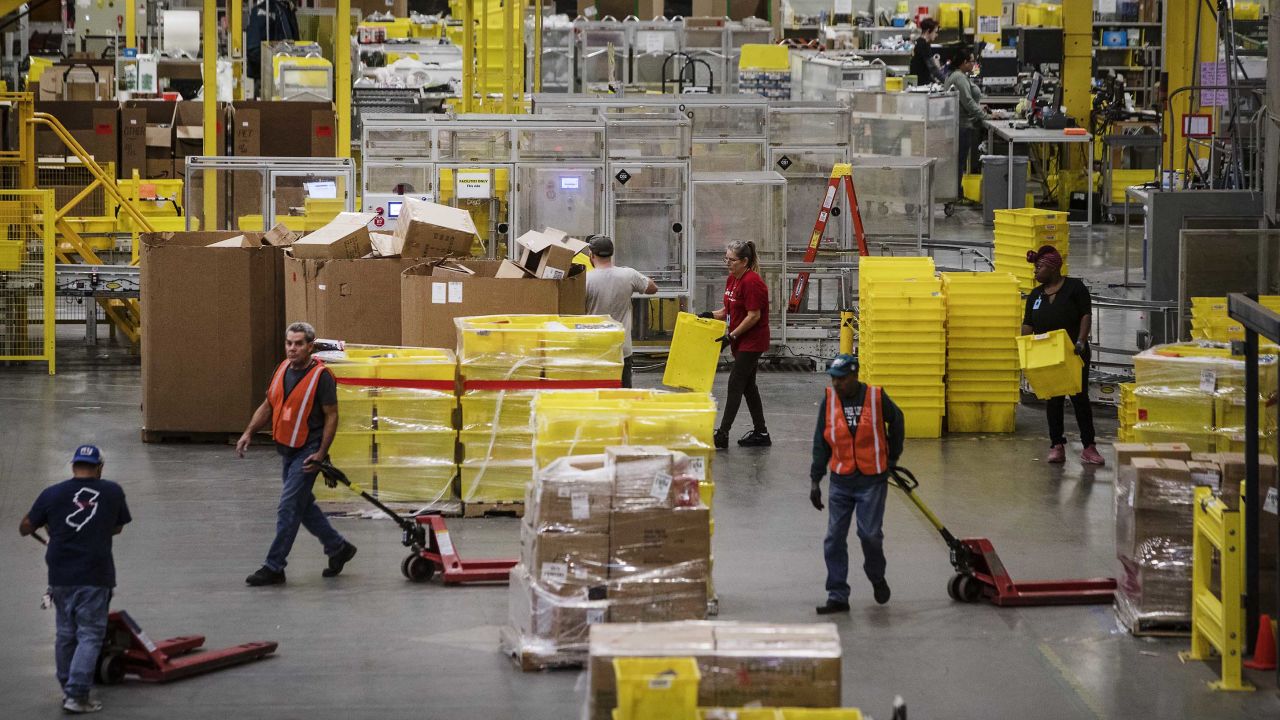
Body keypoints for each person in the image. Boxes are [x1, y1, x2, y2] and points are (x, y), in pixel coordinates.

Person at [237, 321, 357, 586]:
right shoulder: (282, 369)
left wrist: (322, 453)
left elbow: (332, 416)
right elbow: (268, 404)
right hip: (287, 449)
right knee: (303, 506)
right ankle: (338, 547)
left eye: (299, 344)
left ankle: (274, 566)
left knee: (288, 507)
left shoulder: (321, 377)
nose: (292, 348)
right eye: (289, 343)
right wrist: (249, 432)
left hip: (308, 450)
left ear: (310, 347)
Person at [20, 445, 132, 714]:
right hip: (95, 574)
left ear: (73, 466)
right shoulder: (112, 491)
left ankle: (67, 687)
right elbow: (117, 527)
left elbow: (25, 527)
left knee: (66, 634)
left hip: (60, 575)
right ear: (99, 467)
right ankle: (77, 694)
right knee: (90, 634)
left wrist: (52, 529)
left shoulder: (52, 494)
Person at [810, 354, 904, 614]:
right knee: (834, 538)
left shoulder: (875, 397)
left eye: (841, 379)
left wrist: (892, 458)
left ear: (854, 376)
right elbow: (821, 440)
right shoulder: (829, 400)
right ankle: (837, 595)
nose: (836, 384)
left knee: (869, 535)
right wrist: (815, 479)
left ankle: (876, 575)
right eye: (833, 379)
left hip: (871, 480)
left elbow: (897, 420)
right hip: (841, 480)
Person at [1021, 246, 1105, 466]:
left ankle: (1089, 446)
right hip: (1047, 353)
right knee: (1054, 399)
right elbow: (1028, 324)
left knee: (1079, 398)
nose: (1035, 271)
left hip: (1073, 352)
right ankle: (1056, 445)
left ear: (1053, 267)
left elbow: (1085, 315)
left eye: (1039, 267)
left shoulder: (1075, 288)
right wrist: (1024, 348)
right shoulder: (1035, 295)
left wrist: (1081, 341)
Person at [701, 240, 771, 449]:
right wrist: (709, 315)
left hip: (752, 341)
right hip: (740, 340)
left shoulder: (752, 282)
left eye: (732, 260)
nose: (728, 263)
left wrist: (730, 336)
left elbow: (754, 316)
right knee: (749, 387)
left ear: (744, 261)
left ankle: (723, 433)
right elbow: (728, 310)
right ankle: (761, 432)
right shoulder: (733, 279)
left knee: (735, 384)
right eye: (726, 259)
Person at [583, 234, 658, 388]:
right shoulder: (628, 274)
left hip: (596, 348)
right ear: (611, 253)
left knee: (597, 394)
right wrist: (644, 279)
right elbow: (652, 288)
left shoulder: (586, 279)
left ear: (591, 255)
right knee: (622, 395)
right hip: (622, 349)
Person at [944, 49, 989, 189]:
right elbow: (968, 102)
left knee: (958, 162)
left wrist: (980, 109)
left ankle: (956, 192)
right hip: (962, 126)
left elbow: (966, 101)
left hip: (960, 125)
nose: (974, 64)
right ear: (964, 62)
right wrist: (986, 116)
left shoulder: (958, 75)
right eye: (972, 61)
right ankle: (956, 193)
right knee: (959, 162)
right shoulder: (959, 77)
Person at [909, 18, 944, 86]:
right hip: (921, 84)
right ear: (928, 31)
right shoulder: (924, 45)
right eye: (935, 32)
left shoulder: (918, 42)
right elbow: (932, 68)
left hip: (917, 81)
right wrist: (945, 80)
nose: (937, 35)